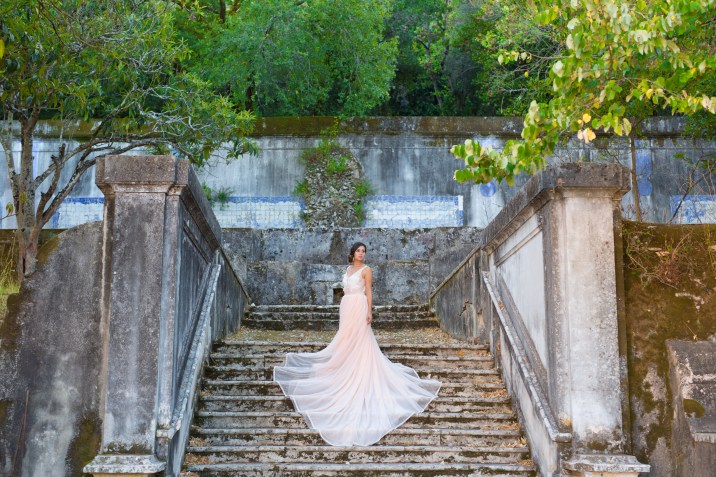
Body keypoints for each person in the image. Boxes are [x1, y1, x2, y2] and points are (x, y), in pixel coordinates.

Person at [273, 242, 441, 446]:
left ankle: (358, 369)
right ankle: (343, 365)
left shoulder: (367, 270)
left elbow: (368, 291)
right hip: (347, 306)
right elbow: (346, 291)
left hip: (359, 305)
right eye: (358, 251)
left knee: (360, 339)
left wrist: (369, 311)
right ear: (352, 253)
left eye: (364, 251)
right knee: (345, 339)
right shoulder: (347, 269)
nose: (361, 254)